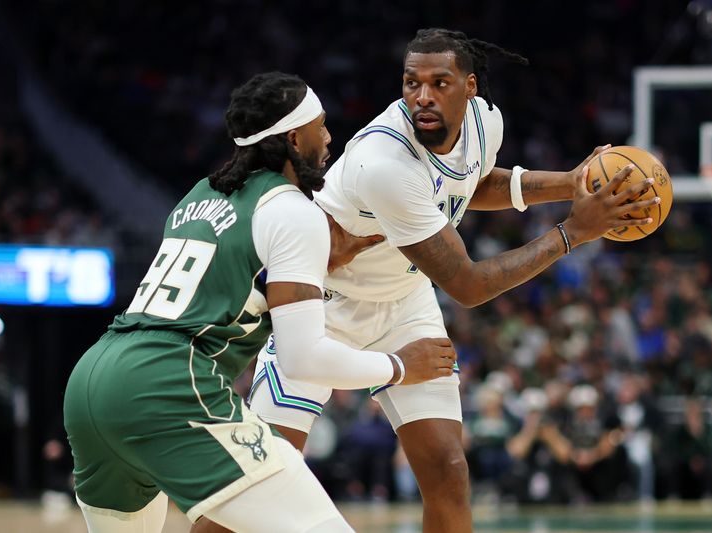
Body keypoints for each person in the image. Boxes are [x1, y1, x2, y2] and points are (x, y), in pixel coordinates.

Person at [246, 29, 659, 533]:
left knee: (448, 470)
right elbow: (468, 285)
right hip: (327, 303)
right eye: (411, 82)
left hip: (405, 302)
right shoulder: (384, 161)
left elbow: (475, 182)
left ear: (469, 89)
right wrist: (573, 232)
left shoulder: (486, 125)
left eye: (439, 83)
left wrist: (570, 182)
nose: (422, 95)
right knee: (262, 478)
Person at [63, 72, 457, 533]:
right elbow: (304, 358)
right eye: (321, 126)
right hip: (167, 382)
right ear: (293, 138)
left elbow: (236, 267)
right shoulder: (295, 209)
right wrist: (399, 366)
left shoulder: (201, 193)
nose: (330, 137)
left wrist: (322, 257)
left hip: (94, 377)